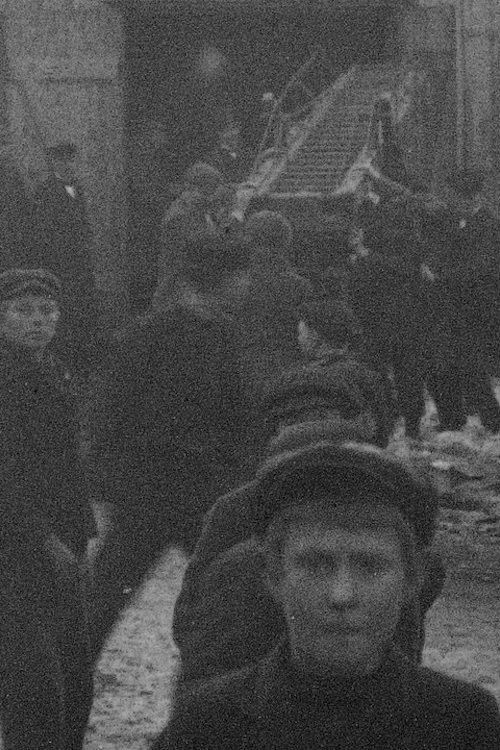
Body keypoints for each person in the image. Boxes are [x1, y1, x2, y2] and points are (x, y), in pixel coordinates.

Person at [155, 440, 500, 750]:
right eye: (316, 565)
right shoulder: (209, 727)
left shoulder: (463, 726)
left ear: (412, 579)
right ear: (274, 577)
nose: (342, 595)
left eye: (370, 566)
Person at [172, 358, 445, 683]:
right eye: (294, 421)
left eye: (320, 417)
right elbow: (191, 623)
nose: (308, 431)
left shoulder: (390, 517)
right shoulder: (237, 512)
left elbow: (188, 624)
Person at [89, 296, 247, 659]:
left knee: (105, 596)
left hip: (148, 487)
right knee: (228, 590)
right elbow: (237, 414)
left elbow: (110, 410)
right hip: (193, 486)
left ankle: (70, 678)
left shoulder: (145, 331)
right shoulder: (220, 336)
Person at [0, 268, 96, 750]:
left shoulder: (53, 371)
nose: (38, 320)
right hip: (16, 548)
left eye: (47, 310)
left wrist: (82, 536)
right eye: (23, 311)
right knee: (34, 686)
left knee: (76, 676)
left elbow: (67, 468)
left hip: (61, 542)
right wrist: (44, 539)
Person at [423, 168, 500, 432]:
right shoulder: (458, 221)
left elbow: (481, 269)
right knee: (445, 367)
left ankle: (492, 423)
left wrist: (439, 277)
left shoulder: (489, 226)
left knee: (470, 369)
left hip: (477, 310)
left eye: (456, 198)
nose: (452, 203)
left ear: (472, 198)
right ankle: (453, 421)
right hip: (453, 309)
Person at [32, 142, 99, 375]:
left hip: (80, 264)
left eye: (71, 160)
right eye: (63, 160)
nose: (68, 165)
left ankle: (83, 361)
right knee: (65, 313)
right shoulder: (47, 192)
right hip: (62, 264)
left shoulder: (76, 188)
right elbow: (46, 234)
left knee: (83, 309)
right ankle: (66, 362)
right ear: (54, 163)